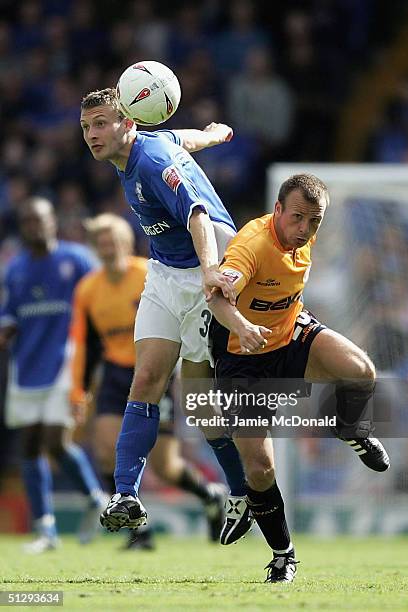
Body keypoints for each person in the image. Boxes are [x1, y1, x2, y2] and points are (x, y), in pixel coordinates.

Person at [79, 87, 248, 535]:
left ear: (128, 124)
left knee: (199, 405)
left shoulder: (150, 162)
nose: (91, 134)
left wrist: (211, 271)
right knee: (147, 377)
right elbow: (180, 139)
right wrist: (211, 136)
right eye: (85, 126)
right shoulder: (143, 150)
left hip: (203, 267)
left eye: (100, 123)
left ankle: (241, 490)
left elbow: (195, 212)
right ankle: (126, 495)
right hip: (166, 270)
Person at [208, 173, 390, 583]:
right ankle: (282, 553)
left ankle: (351, 429)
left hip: (290, 336)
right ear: (277, 211)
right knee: (260, 469)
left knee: (361, 370)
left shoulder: (304, 237)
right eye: (297, 218)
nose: (304, 229)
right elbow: (219, 297)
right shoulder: (252, 245)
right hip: (244, 359)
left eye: (314, 221)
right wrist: (241, 325)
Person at [70, 213, 226, 548]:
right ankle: (137, 528)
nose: (107, 247)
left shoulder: (149, 274)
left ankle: (210, 495)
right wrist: (79, 392)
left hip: (156, 372)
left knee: (166, 466)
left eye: (113, 240)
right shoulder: (88, 290)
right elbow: (85, 344)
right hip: (115, 373)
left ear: (126, 242)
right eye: (101, 242)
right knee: (104, 450)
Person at [0, 197, 108, 554]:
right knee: (30, 446)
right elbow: (9, 315)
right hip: (26, 366)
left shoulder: (76, 260)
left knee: (53, 440)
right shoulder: (15, 270)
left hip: (66, 361)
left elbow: (99, 298)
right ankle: (48, 528)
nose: (35, 226)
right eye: (28, 221)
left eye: (40, 219)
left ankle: (93, 498)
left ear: (52, 222)